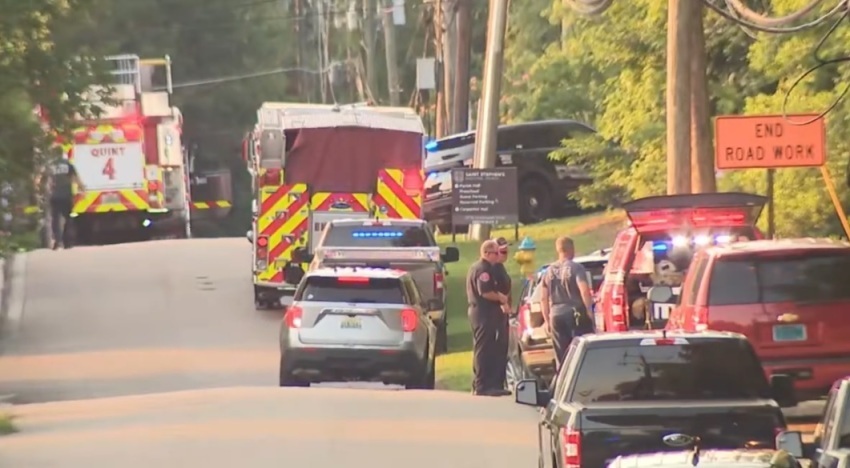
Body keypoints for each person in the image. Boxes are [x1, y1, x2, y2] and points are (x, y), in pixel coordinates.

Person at [466, 239, 511, 396]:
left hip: (482, 312)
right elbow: (485, 291)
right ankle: (482, 385)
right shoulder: (483, 269)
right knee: (483, 349)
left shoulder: (478, 267)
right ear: (486, 253)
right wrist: (501, 297)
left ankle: (486, 384)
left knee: (487, 347)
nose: (497, 256)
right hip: (483, 312)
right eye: (495, 253)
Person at [540, 236, 594, 367]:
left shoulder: (548, 271)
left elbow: (543, 298)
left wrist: (547, 320)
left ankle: (563, 379)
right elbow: (584, 290)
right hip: (575, 314)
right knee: (580, 352)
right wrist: (589, 311)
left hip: (555, 315)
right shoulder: (576, 268)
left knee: (562, 355)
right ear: (571, 249)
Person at [48, 156, 84, 250]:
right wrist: (82, 188)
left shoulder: (51, 165)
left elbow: (45, 180)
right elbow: (75, 178)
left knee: (55, 220)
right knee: (68, 218)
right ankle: (67, 242)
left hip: (54, 196)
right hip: (66, 196)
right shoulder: (68, 164)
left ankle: (57, 241)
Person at [491, 237, 512, 390]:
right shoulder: (494, 269)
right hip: (496, 314)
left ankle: (500, 382)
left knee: (502, 349)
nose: (505, 252)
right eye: (501, 249)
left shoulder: (501, 267)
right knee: (496, 349)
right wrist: (503, 304)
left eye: (506, 249)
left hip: (503, 313)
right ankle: (495, 383)